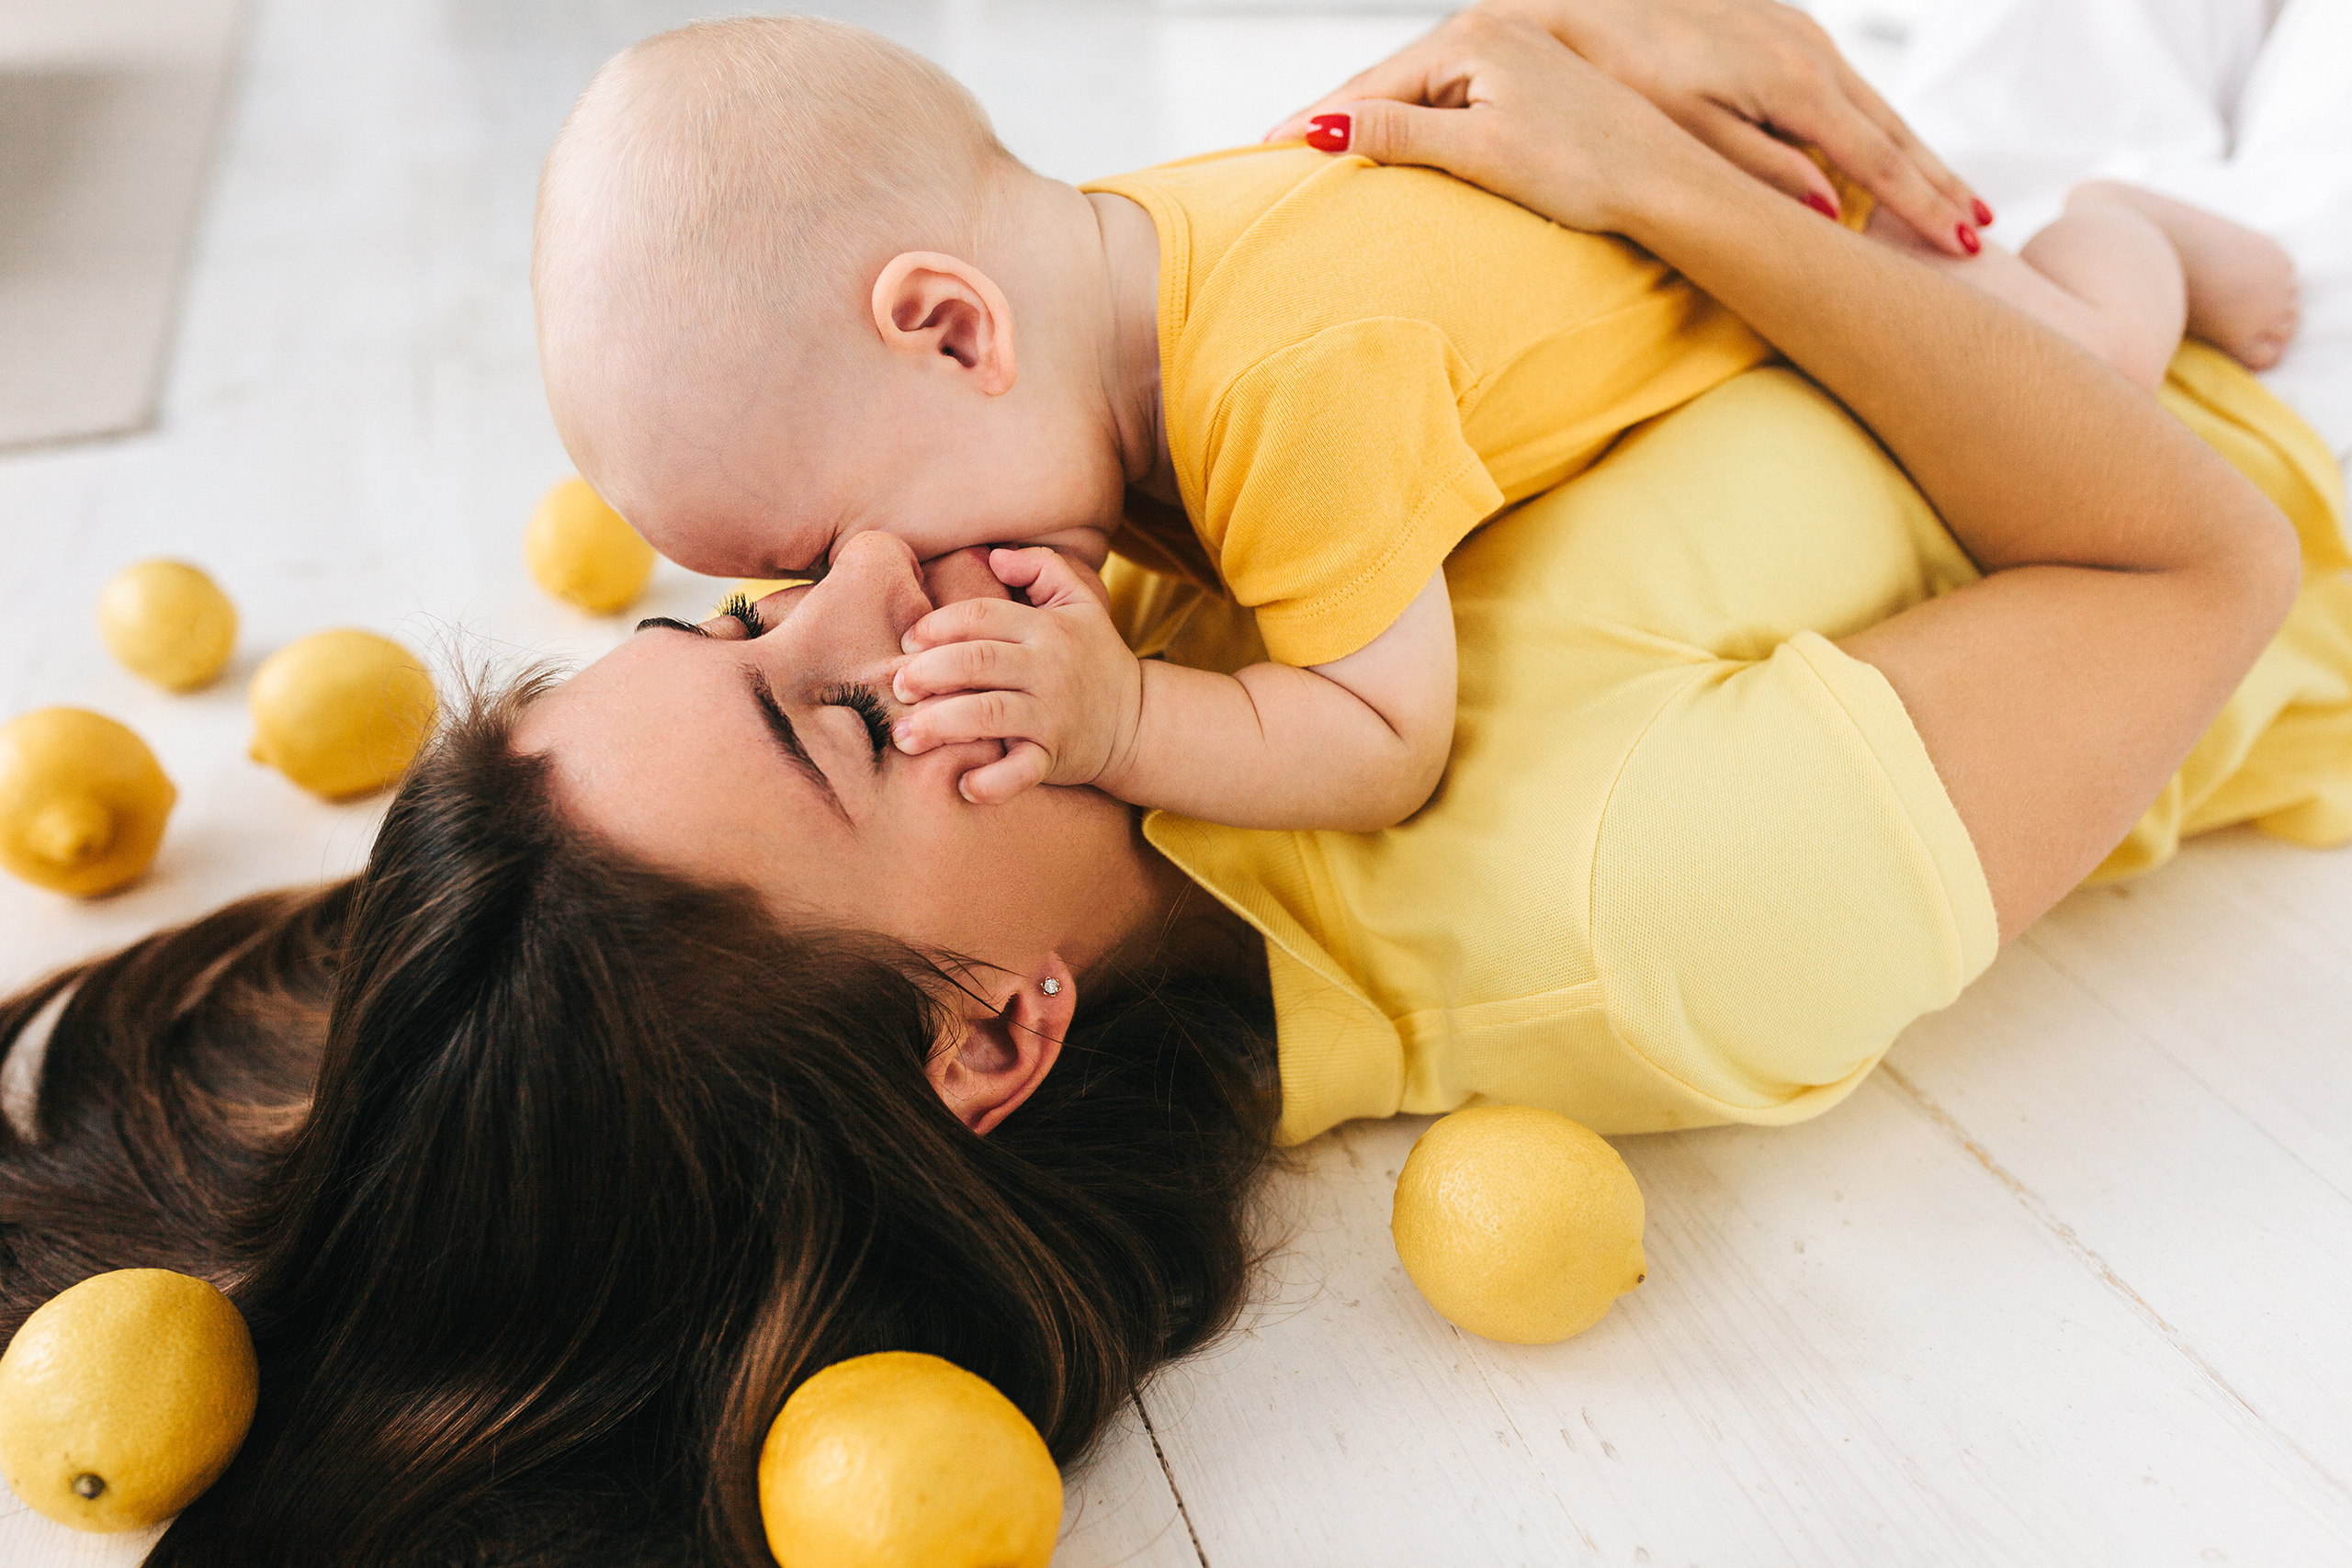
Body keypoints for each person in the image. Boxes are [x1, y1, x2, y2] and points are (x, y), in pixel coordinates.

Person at [5, 8, 2347, 1568]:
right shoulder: (1650, 903)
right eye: (832, 712)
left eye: (747, 606)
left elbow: (1195, 281)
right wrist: (1665, 182)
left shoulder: (1086, 613)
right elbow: (2194, 556)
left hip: (1947, 204)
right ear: (994, 1025)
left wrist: (1574, 83)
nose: (870, 582)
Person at [530, 14, 2298, 840]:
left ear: (949, 326)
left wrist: (1128, 712)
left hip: (1832, 251)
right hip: (1674, 177)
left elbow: (1382, 743)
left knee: (2084, 351)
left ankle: (2132, 226)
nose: (879, 596)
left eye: (821, 540)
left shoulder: (1279, 392)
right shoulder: (1112, 260)